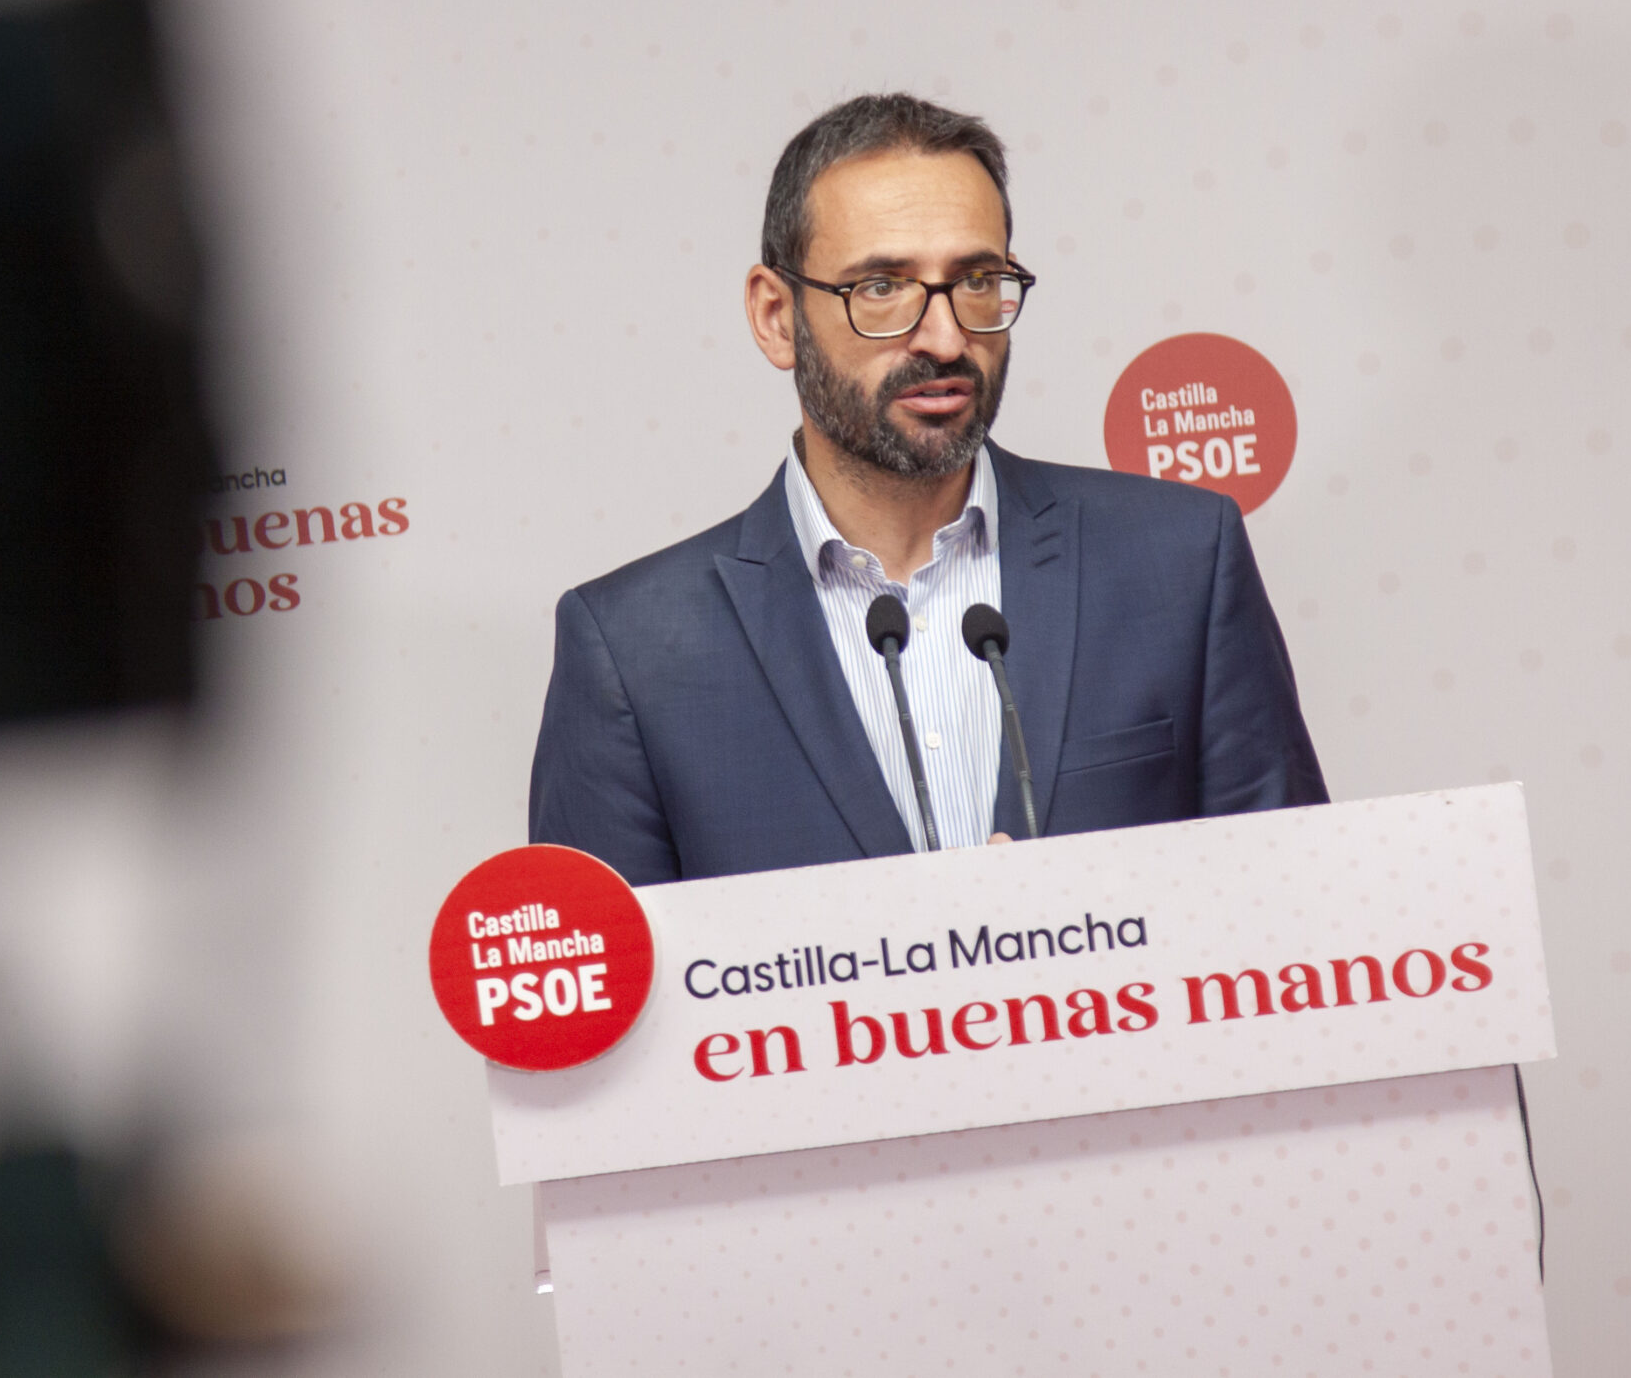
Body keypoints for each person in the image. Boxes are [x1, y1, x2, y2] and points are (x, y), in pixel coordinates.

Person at [528, 94, 1325, 883]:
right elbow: (612, 968)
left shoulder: (1179, 564)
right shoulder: (634, 649)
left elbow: (1294, 908)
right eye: (881, 287)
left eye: (977, 279)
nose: (945, 338)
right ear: (776, 316)